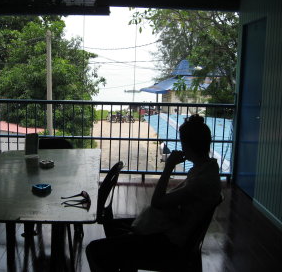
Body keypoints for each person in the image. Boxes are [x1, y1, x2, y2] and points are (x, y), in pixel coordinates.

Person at [86, 114, 221, 272]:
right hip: (176, 233)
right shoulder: (207, 170)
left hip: (169, 244)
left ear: (187, 146)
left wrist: (168, 167)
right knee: (112, 227)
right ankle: (125, 262)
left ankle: (125, 259)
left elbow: (157, 202)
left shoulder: (201, 181)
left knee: (93, 249)